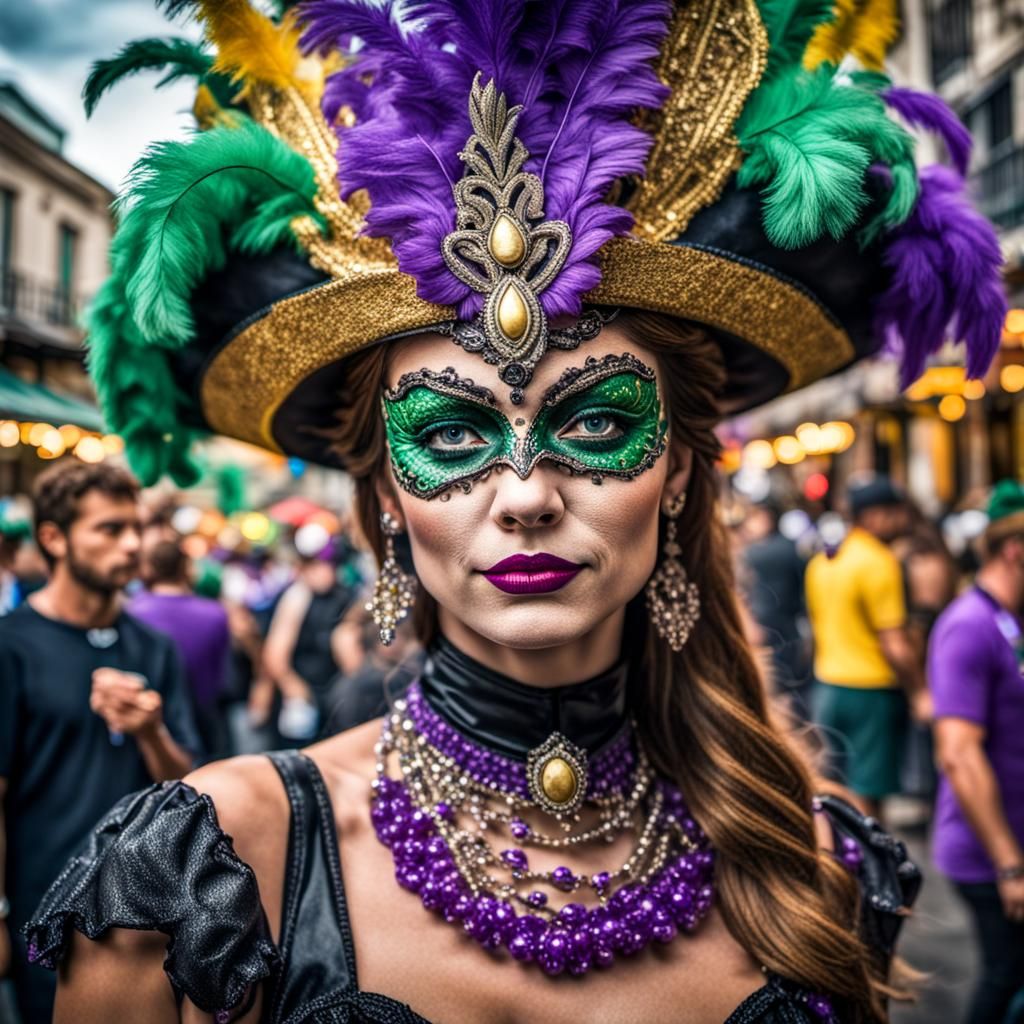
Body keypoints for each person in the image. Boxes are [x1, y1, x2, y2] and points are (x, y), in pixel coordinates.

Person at [24, 1, 1005, 1021]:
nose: (529, 496)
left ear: (674, 473)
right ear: (385, 498)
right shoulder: (212, 870)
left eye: (595, 424)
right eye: (451, 436)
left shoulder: (817, 859)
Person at [0, 461, 200, 1023]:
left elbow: (184, 781)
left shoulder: (154, 647)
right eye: (110, 530)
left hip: (144, 911)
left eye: (135, 527)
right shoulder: (12, 646)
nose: (133, 544)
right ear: (54, 538)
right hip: (43, 908)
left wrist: (148, 730)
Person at [929, 480, 1024, 1024]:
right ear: (1014, 549)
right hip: (990, 855)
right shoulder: (967, 626)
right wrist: (1009, 865)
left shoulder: (1008, 618)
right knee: (1004, 975)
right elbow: (960, 756)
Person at [806, 478, 929, 819]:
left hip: (828, 686)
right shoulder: (878, 562)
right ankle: (871, 867)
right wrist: (920, 691)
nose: (901, 521)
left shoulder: (825, 560)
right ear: (873, 517)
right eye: (895, 513)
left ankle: (845, 860)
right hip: (870, 692)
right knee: (869, 797)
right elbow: (894, 641)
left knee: (836, 789)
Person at [130, 538, 233, 759]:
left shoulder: (131, 613)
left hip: (153, 726)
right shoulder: (215, 614)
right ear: (185, 568)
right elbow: (219, 675)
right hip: (206, 723)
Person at [262, 541, 355, 742]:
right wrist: (295, 689)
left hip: (334, 693)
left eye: (328, 564)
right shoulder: (297, 596)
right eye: (315, 565)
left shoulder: (344, 596)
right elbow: (275, 655)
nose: (323, 571)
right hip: (305, 695)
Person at [740, 500, 810, 718]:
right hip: (786, 625)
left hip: (766, 624)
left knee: (775, 687)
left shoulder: (753, 553)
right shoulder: (790, 548)